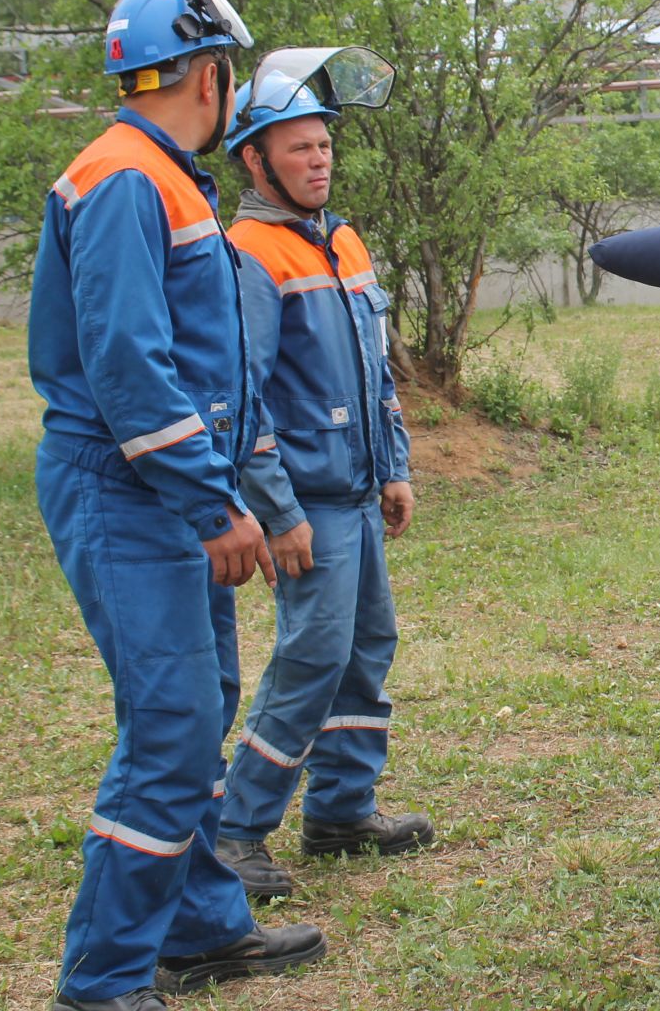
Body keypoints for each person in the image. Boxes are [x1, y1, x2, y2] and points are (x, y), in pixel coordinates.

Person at [31, 0, 325, 1011]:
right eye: (230, 76)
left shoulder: (159, 171)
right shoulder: (125, 177)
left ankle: (199, 922)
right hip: (128, 487)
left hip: (166, 481)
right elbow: (126, 366)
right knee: (167, 725)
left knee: (199, 705)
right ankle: (103, 980)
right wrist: (211, 502)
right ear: (206, 71)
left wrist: (218, 485)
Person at [211, 48, 432, 901]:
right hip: (306, 504)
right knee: (310, 656)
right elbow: (240, 396)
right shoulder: (248, 255)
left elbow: (375, 372)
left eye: (325, 146)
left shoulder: (341, 241)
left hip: (358, 493)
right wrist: (276, 511)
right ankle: (237, 832)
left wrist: (397, 467)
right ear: (254, 159)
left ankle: (341, 809)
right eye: (298, 148)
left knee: (366, 646)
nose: (318, 160)